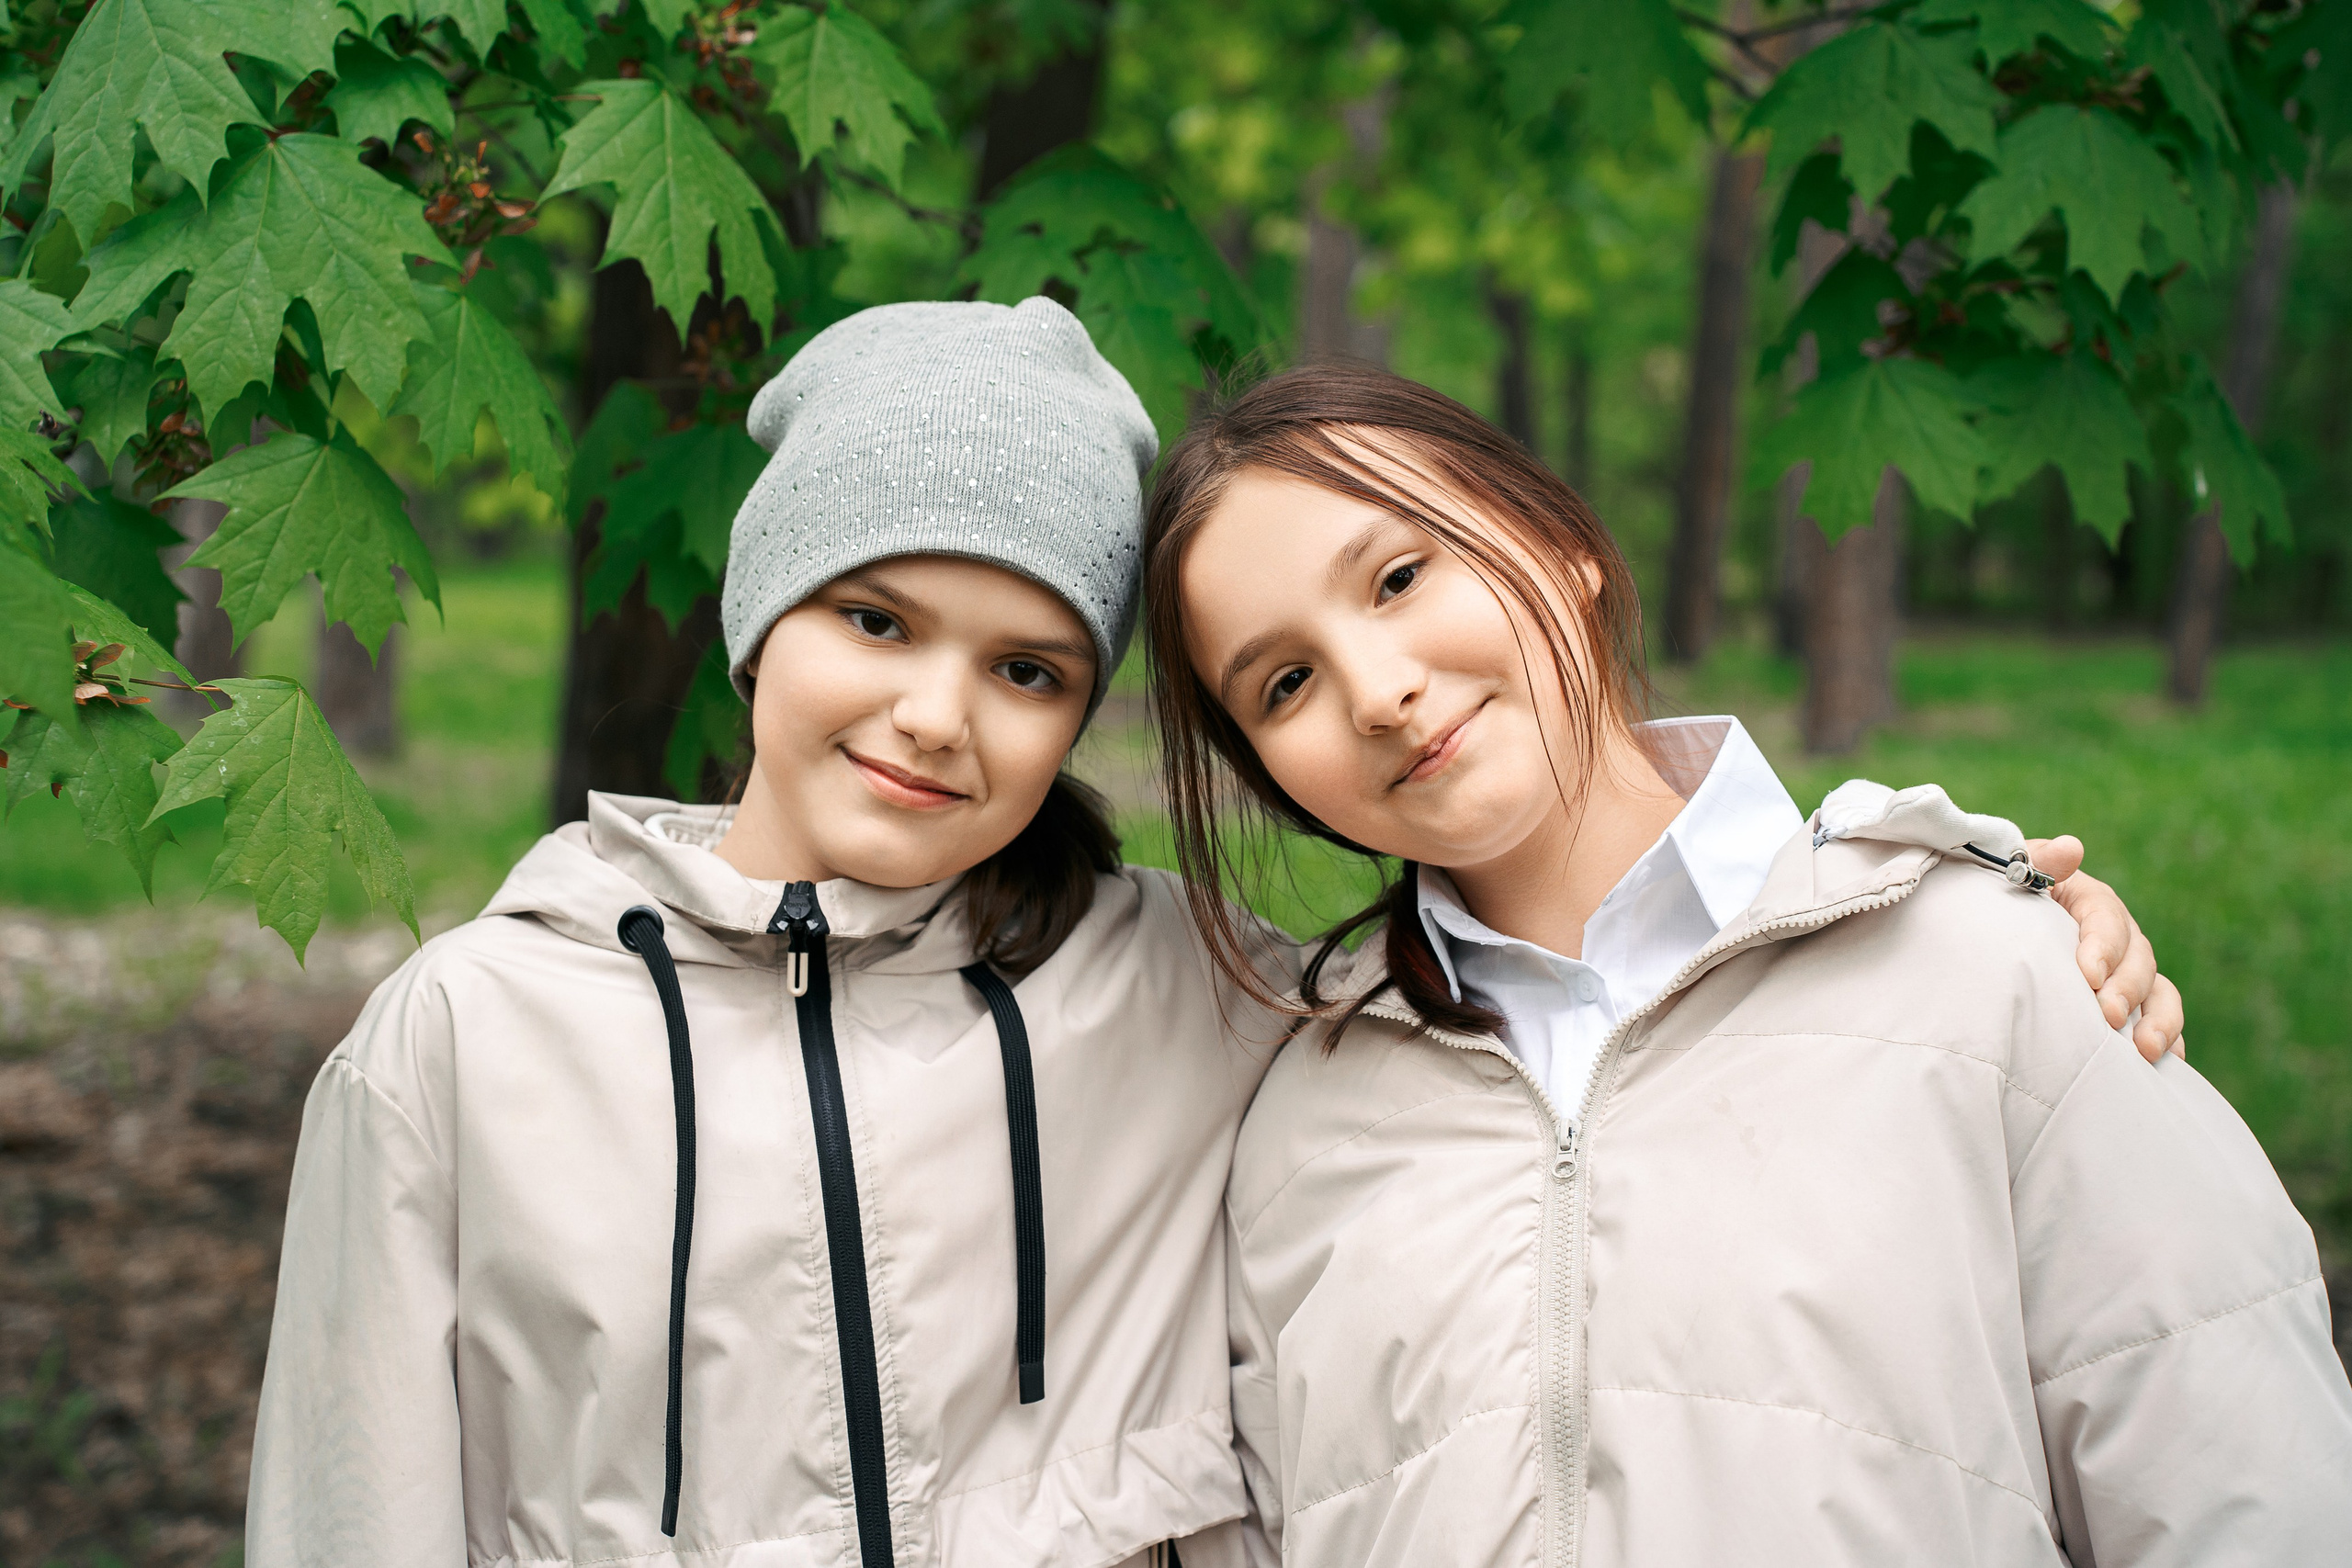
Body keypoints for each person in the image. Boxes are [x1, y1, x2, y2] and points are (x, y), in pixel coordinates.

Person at [244, 303, 2180, 1568]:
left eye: (1027, 667)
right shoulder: (466, 1040)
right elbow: (351, 1514)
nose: (934, 713)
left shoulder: (1209, 992)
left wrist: (1973, 894)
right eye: (875, 620)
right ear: (762, 623)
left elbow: (1572, 1037)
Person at [1144, 363, 2352, 1567]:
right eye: (1285, 683)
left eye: (1401, 577)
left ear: (1567, 548)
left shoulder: (1995, 975)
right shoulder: (1292, 1129)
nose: (1377, 692)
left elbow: (2248, 1501)